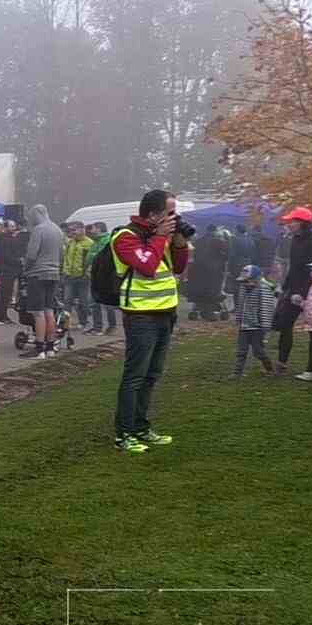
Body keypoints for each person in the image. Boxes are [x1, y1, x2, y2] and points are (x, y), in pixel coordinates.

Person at [110, 189, 190, 452]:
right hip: (140, 316)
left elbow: (178, 267)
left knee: (151, 375)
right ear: (154, 214)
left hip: (165, 313)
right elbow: (147, 266)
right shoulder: (125, 236)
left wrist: (178, 241)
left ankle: (141, 428)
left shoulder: (161, 235)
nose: (175, 217)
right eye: (170, 212)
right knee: (135, 376)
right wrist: (160, 237)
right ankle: (124, 434)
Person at [271, 208, 312, 372]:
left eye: (292, 221)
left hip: (308, 290)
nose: (289, 224)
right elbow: (294, 267)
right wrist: (285, 287)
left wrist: (302, 292)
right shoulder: (295, 239)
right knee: (284, 324)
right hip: (293, 288)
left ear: (302, 223)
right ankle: (281, 362)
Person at [20, 205, 64, 359]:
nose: (31, 219)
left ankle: (39, 349)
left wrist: (25, 268)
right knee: (49, 311)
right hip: (54, 274)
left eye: (31, 216)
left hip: (37, 274)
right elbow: (62, 254)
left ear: (37, 214)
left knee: (37, 313)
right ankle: (50, 347)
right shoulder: (58, 230)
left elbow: (31, 254)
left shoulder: (39, 230)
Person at [231, 265, 277, 378]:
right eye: (243, 281)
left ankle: (269, 369)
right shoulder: (243, 289)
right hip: (244, 326)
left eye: (248, 281)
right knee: (241, 351)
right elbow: (240, 305)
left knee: (258, 351)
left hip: (257, 328)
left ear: (257, 278)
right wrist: (239, 319)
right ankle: (237, 373)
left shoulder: (263, 289)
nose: (245, 283)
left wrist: (265, 327)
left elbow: (266, 309)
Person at [83, 222, 119, 335]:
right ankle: (98, 327)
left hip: (104, 276)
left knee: (106, 303)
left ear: (99, 229)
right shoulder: (96, 241)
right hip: (94, 275)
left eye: (93, 228)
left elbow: (102, 258)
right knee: (94, 302)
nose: (90, 230)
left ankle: (110, 327)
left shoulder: (106, 241)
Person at [0, 218, 26, 325]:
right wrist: (18, 261)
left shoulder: (6, 238)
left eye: (14, 226)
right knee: (6, 293)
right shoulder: (5, 239)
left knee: (6, 292)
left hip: (7, 268)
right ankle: (1, 315)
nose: (14, 228)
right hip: (7, 269)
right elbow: (6, 255)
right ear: (6, 228)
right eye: (11, 226)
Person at [60, 221, 90, 329]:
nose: (72, 232)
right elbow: (66, 258)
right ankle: (66, 322)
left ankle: (83, 322)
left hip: (83, 277)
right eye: (70, 230)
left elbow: (91, 260)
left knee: (83, 302)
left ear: (82, 229)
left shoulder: (89, 243)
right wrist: (65, 271)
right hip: (69, 276)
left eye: (74, 230)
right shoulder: (70, 242)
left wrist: (87, 274)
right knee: (67, 301)